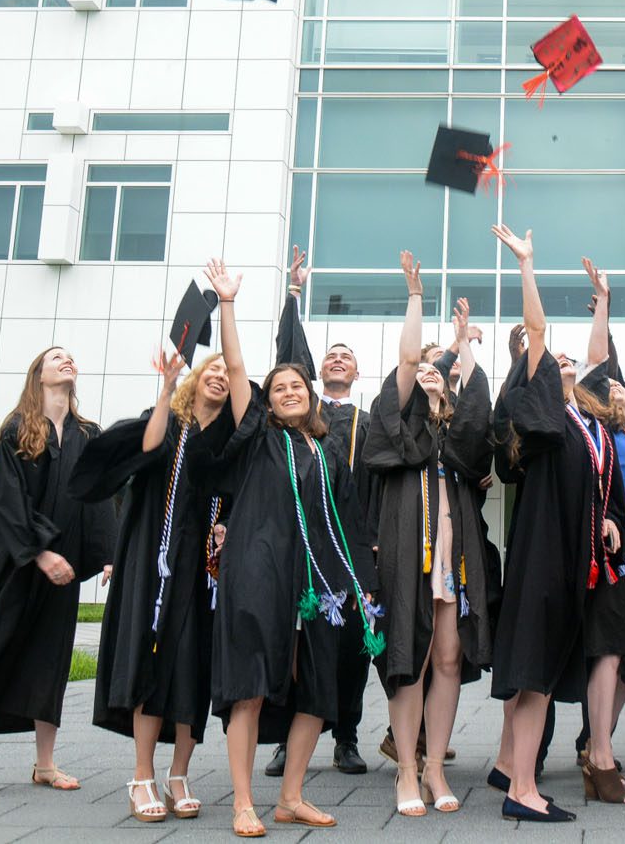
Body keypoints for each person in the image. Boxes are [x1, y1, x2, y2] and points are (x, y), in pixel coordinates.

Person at [209, 259, 381, 838]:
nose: (287, 392)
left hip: (321, 587)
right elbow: (235, 367)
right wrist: (227, 304)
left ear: (310, 396)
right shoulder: (259, 436)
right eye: (278, 387)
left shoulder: (327, 452)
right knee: (252, 686)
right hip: (259, 574)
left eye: (295, 387)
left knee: (316, 693)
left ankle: (289, 797)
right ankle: (242, 801)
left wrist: (362, 585)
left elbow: (350, 523)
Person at [486, 224, 625, 823]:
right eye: (551, 362)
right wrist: (527, 265)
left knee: (538, 679)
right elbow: (539, 334)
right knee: (534, 678)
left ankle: (516, 780)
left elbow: (598, 360)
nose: (565, 362)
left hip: (572, 560)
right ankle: (523, 790)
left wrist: (603, 305)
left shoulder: (585, 422)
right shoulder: (542, 418)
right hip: (541, 559)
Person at [69, 328, 238, 823]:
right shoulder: (170, 423)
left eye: (228, 374)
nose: (221, 378)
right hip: (155, 563)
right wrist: (166, 389)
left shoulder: (227, 441)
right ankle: (143, 776)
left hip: (203, 572)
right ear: (195, 381)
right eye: (213, 371)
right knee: (150, 665)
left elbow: (231, 497)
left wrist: (226, 522)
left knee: (193, 669)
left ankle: (179, 773)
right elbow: (147, 446)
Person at [0, 346, 115, 804]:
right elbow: (6, 500)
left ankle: (45, 764)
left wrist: (108, 554)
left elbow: (99, 497)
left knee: (51, 659)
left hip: (60, 568)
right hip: (11, 562)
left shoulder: (86, 434)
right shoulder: (17, 429)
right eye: (56, 356)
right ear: (38, 375)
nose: (67, 360)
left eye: (71, 357)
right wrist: (39, 552)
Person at [371, 275, 494, 819]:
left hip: (454, 545)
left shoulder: (455, 422)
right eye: (422, 365)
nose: (428, 371)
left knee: (448, 655)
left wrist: (462, 347)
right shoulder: (399, 415)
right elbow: (403, 367)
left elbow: (476, 433)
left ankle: (435, 765)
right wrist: (418, 300)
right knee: (411, 655)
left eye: (435, 366)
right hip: (408, 542)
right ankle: (404, 767)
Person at [270, 247, 376, 778]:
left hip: (347, 542)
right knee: (296, 638)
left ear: (356, 373)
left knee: (352, 647)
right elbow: (287, 359)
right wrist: (294, 294)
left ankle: (347, 736)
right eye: (330, 354)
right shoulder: (302, 409)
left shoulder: (369, 420)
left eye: (346, 356)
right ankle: (286, 740)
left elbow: (376, 484)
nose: (336, 359)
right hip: (299, 539)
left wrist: (372, 546)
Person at [570, 258, 625, 806]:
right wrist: (603, 304)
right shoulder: (591, 425)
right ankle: (598, 752)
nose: (618, 393)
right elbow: (601, 363)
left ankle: (597, 743)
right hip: (596, 549)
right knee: (606, 645)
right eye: (611, 390)